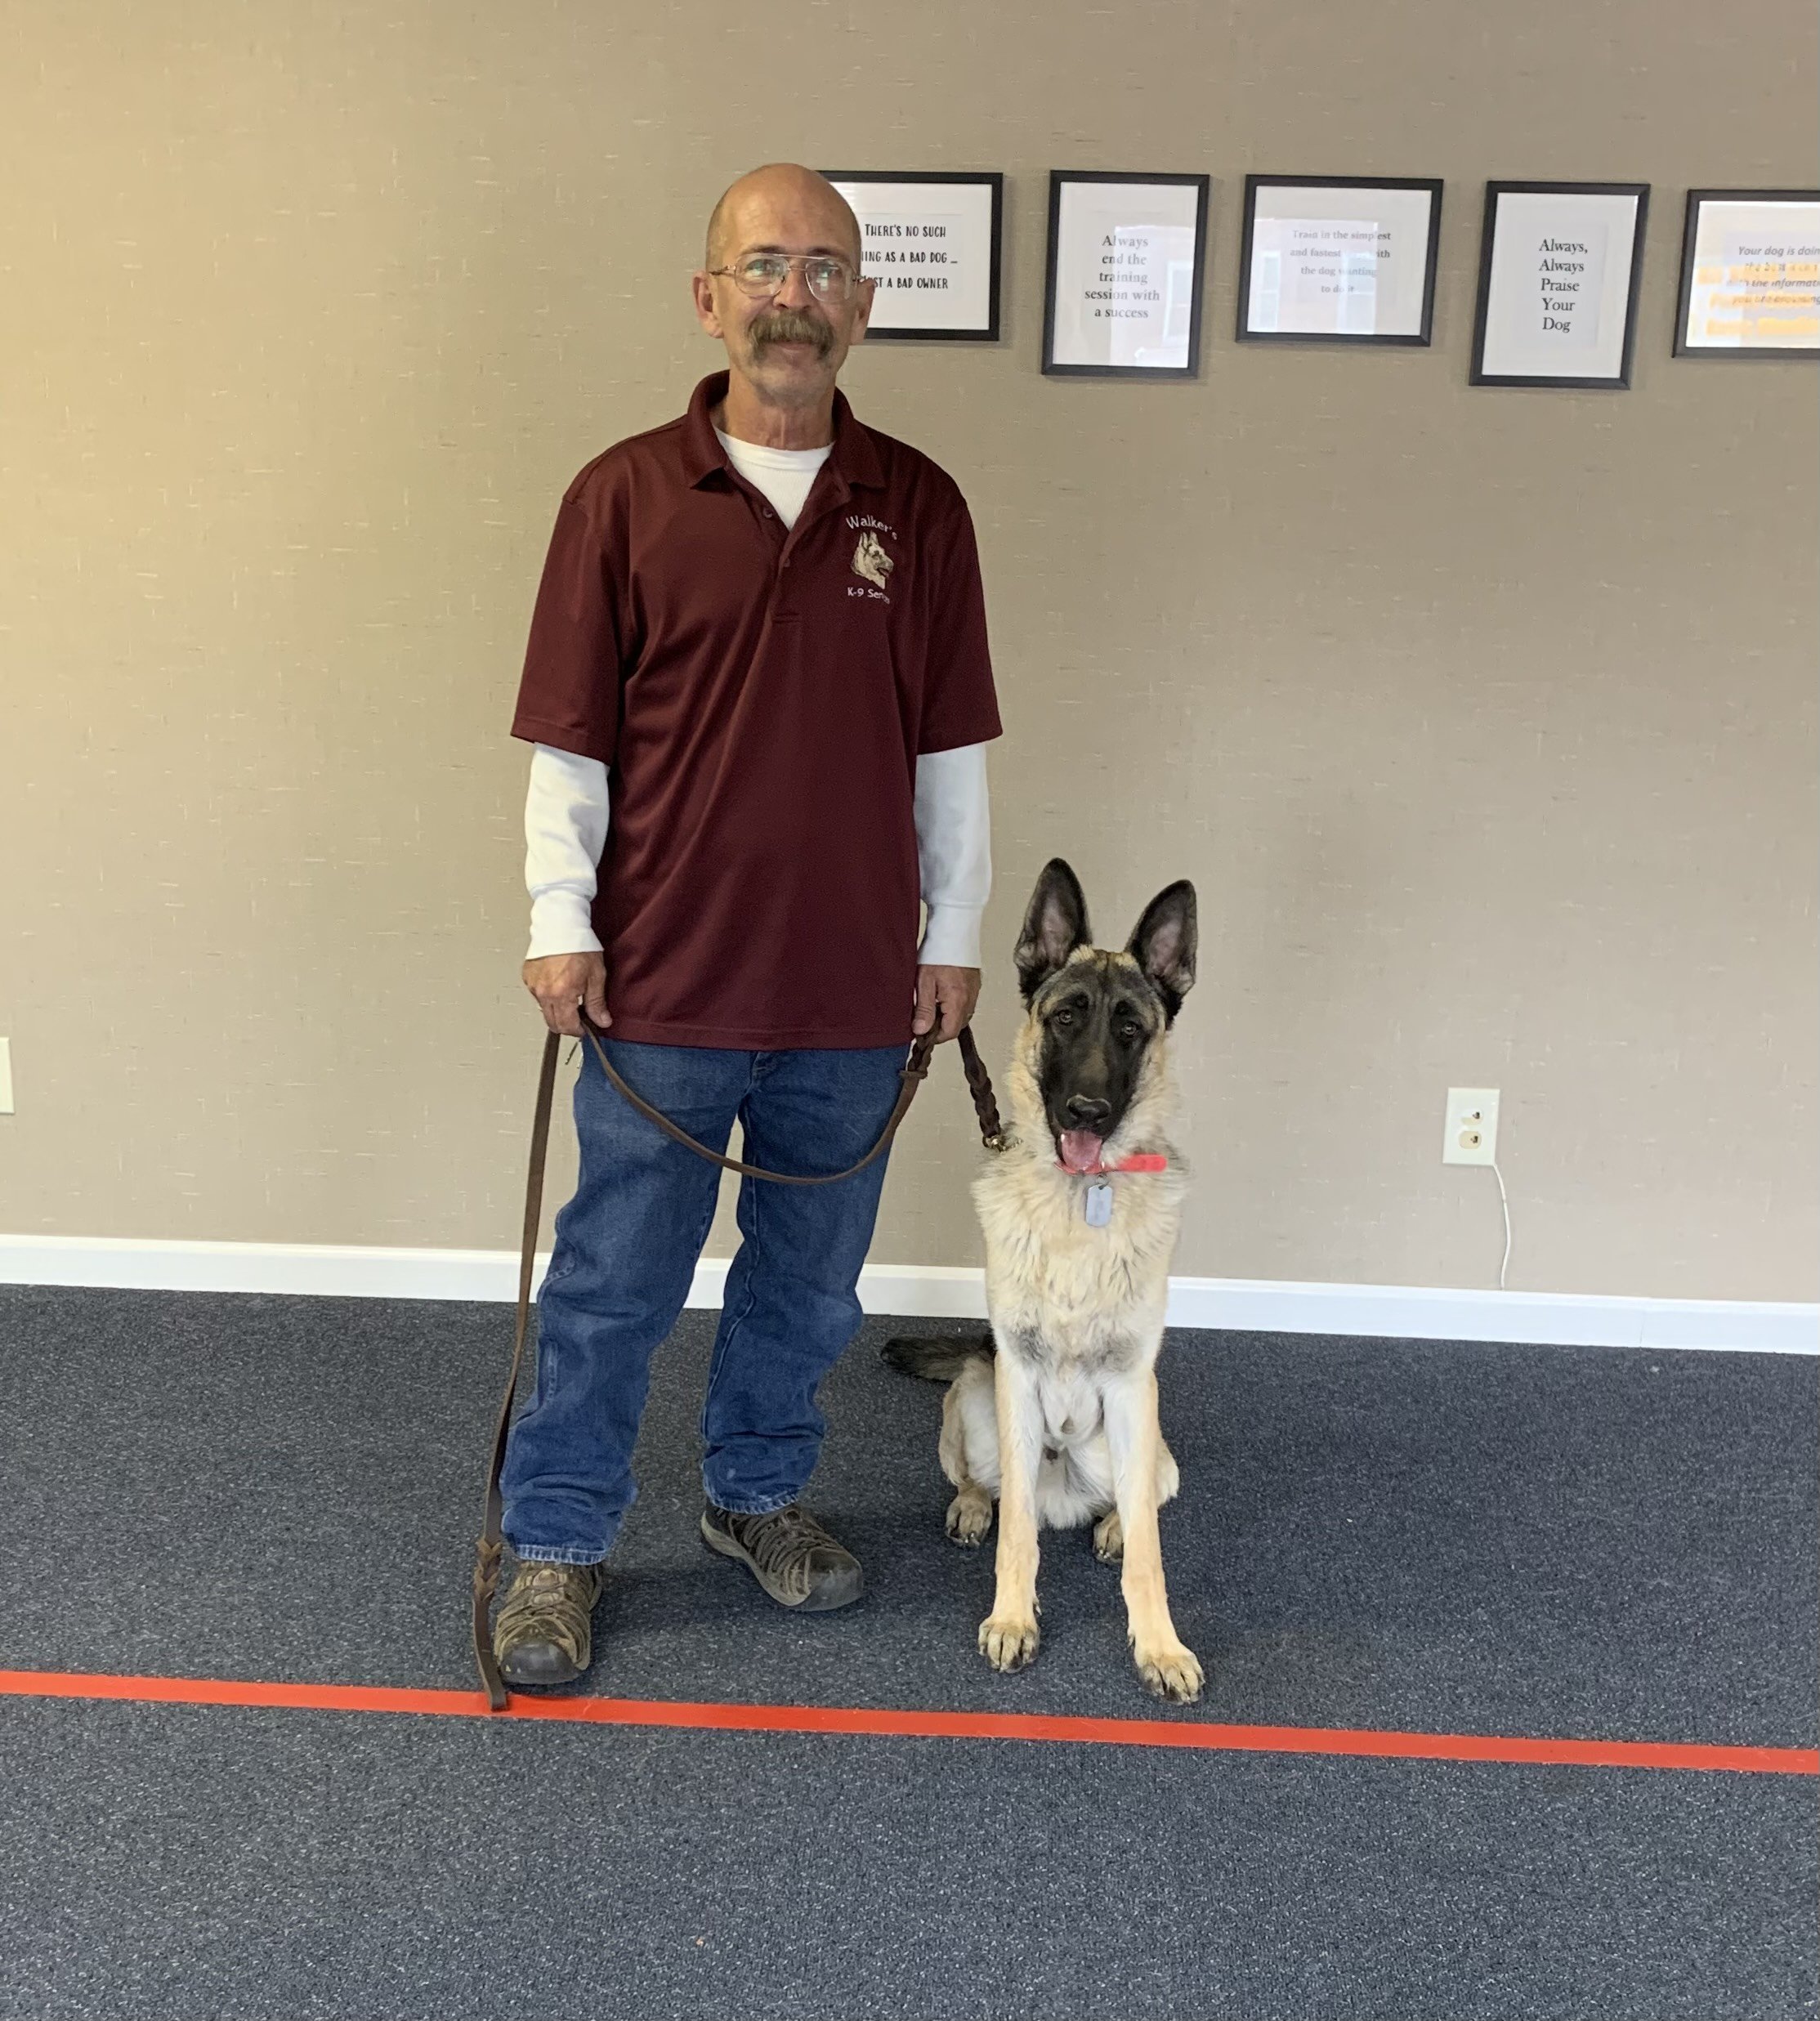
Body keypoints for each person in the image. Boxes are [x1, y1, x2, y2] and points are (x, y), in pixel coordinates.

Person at [491, 163, 1002, 1684]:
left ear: (864, 303)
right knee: (611, 1282)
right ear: (709, 297)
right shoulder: (622, 496)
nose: (796, 294)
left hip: (853, 988)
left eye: (825, 268)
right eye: (764, 265)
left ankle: (757, 1493)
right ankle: (560, 1539)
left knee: (808, 1281)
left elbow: (951, 747)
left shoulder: (919, 505)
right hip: (661, 976)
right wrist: (555, 915)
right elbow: (570, 744)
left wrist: (953, 926)